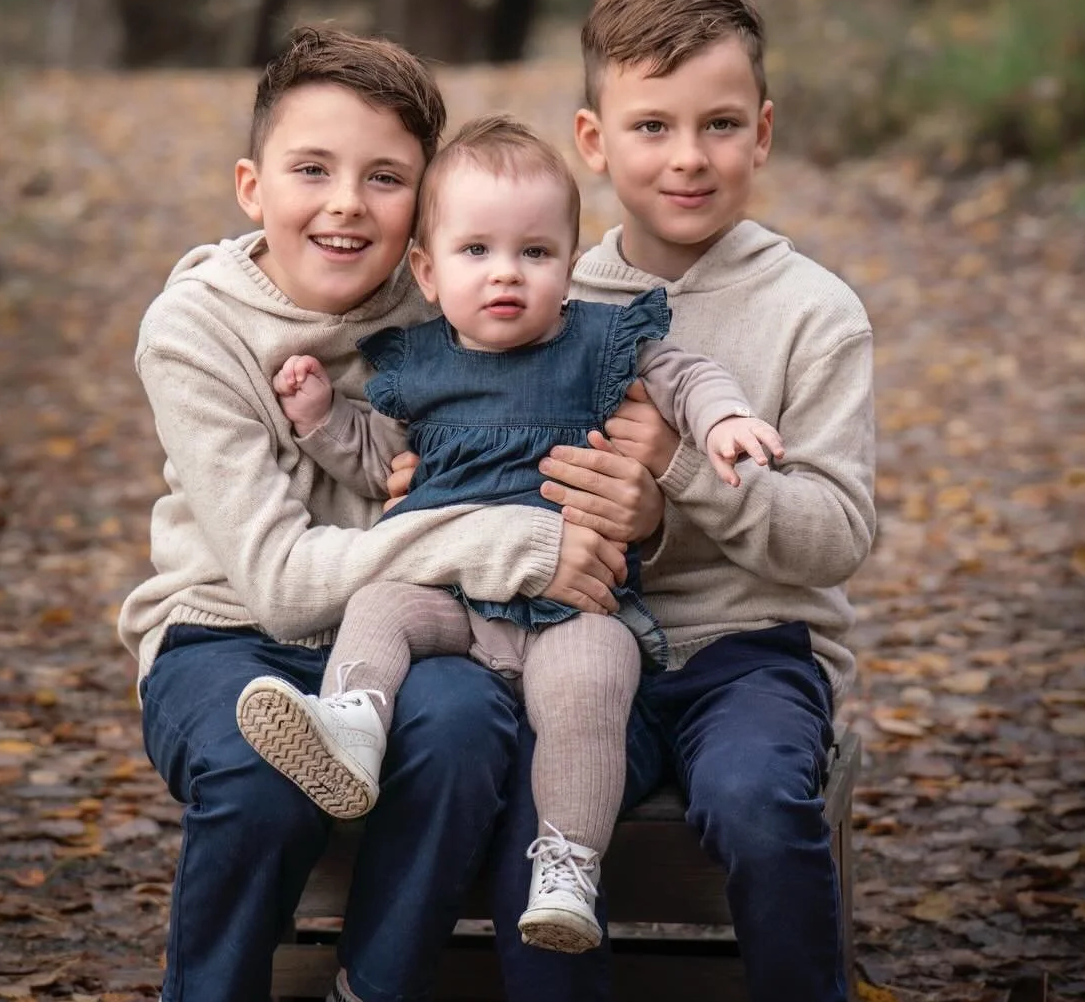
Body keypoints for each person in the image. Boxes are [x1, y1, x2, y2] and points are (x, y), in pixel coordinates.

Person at [85, 28, 646, 1002]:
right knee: (255, 768)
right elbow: (284, 583)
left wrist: (636, 486)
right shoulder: (195, 327)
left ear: (424, 201)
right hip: (232, 627)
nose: (347, 206)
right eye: (312, 170)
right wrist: (494, 545)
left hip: (421, 642)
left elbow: (596, 380)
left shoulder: (455, 293)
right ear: (253, 185)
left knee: (459, 734)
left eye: (385, 179)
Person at [436, 0, 876, 1002]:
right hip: (583, 646)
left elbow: (837, 532)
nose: (688, 158)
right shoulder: (537, 285)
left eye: (719, 125)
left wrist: (675, 492)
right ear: (594, 140)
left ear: (764, 130)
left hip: (751, 649)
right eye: (652, 126)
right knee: (546, 810)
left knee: (755, 794)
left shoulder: (813, 314)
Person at [233, 115, 784, 955]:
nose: (506, 275)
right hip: (452, 601)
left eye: (535, 253)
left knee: (593, 686)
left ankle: (568, 864)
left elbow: (685, 375)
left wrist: (724, 420)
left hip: (573, 604)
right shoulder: (419, 364)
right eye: (476, 251)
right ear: (427, 267)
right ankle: (350, 723)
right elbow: (381, 462)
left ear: (571, 266)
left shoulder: (599, 344)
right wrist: (319, 419)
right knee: (378, 603)